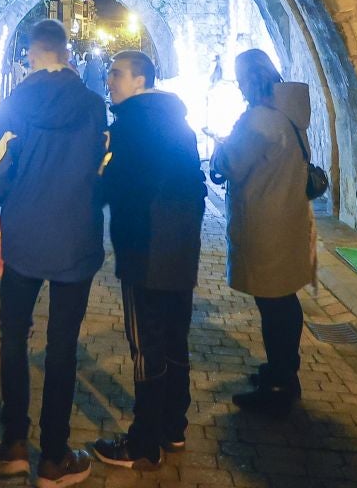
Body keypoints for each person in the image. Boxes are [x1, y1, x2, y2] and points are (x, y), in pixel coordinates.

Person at [0, 17, 107, 487]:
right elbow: (104, 168)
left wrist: (15, 198)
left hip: (24, 238)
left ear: (32, 54)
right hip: (76, 238)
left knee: (14, 336)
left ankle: (13, 443)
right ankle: (53, 457)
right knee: (62, 347)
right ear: (67, 54)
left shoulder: (15, 104)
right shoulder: (93, 105)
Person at [93, 50, 205, 472]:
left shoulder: (130, 124)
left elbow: (112, 185)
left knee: (146, 345)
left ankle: (142, 442)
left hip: (145, 247)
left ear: (141, 80)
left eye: (117, 74)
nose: (110, 81)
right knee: (175, 339)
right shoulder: (179, 122)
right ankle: (173, 427)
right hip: (180, 249)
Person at [209, 48, 316, 417]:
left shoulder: (259, 119)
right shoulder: (289, 113)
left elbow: (232, 163)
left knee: (274, 304)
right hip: (288, 217)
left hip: (265, 220)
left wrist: (220, 147)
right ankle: (283, 371)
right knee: (284, 299)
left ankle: (279, 384)